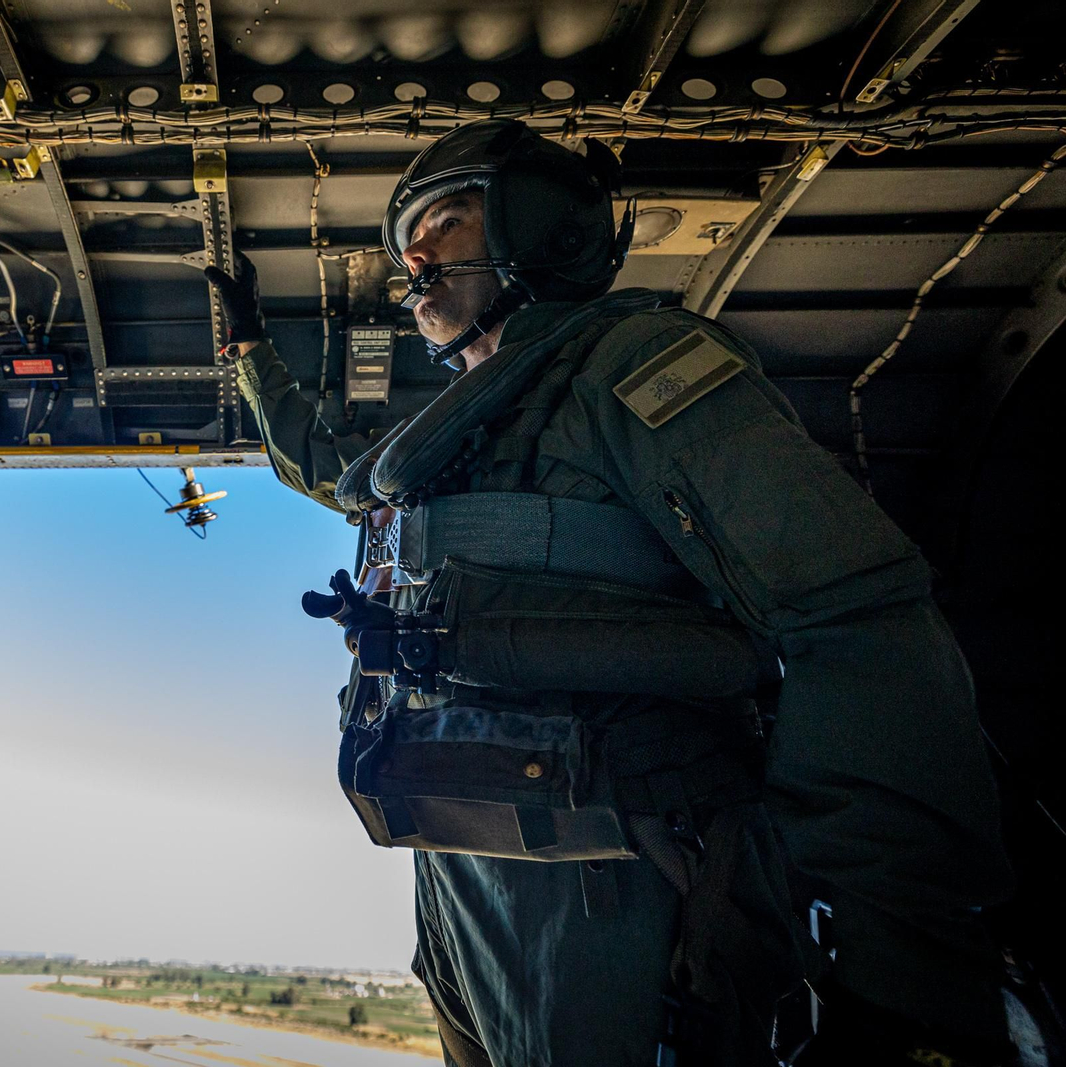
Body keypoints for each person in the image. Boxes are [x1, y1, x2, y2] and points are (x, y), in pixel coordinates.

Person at [205, 120, 1013, 1066]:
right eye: (404, 245)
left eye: (448, 221)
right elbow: (333, 469)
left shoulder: (631, 366)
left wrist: (895, 971)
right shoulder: (453, 438)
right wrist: (251, 351)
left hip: (618, 880)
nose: (414, 256)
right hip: (461, 870)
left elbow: (853, 620)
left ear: (541, 227)